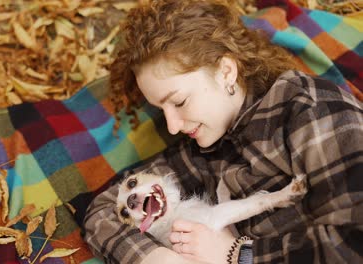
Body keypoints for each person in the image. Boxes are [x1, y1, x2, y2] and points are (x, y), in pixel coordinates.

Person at [83, 0, 363, 263]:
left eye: (179, 101)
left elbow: (353, 240)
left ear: (226, 71)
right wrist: (158, 258)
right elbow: (101, 212)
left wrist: (237, 253)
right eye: (160, 109)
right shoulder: (205, 146)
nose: (172, 125)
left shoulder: (311, 109)